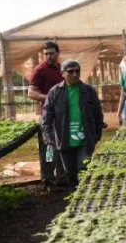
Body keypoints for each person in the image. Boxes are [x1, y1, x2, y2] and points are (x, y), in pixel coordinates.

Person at [42, 60, 104, 188]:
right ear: (63, 73)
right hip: (65, 139)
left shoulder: (88, 90)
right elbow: (47, 115)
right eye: (71, 72)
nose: (75, 74)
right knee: (70, 173)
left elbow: (98, 113)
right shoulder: (55, 92)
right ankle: (74, 196)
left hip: (85, 137)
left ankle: (85, 195)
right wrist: (48, 135)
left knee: (83, 167)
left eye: (77, 71)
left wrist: (97, 134)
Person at [28, 41, 66, 191]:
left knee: (62, 146)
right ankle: (48, 181)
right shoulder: (40, 70)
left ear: (58, 53)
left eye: (51, 53)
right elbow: (31, 93)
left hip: (63, 115)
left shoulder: (61, 68)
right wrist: (49, 98)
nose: (48, 56)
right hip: (48, 116)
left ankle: (62, 177)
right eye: (46, 54)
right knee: (49, 148)